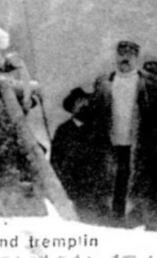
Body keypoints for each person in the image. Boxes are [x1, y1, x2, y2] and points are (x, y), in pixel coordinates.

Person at [89, 40, 157, 228]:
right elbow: (94, 115)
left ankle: (139, 226)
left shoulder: (149, 86)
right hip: (110, 145)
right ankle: (113, 224)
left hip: (140, 147)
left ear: (136, 58)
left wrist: (152, 139)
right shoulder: (104, 84)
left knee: (140, 188)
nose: (124, 59)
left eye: (130, 55)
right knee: (111, 186)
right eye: (121, 54)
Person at [50, 87, 107, 224]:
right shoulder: (63, 131)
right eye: (80, 103)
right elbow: (55, 161)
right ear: (72, 108)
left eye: (86, 103)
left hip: (94, 187)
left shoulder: (98, 130)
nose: (84, 107)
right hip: (71, 186)